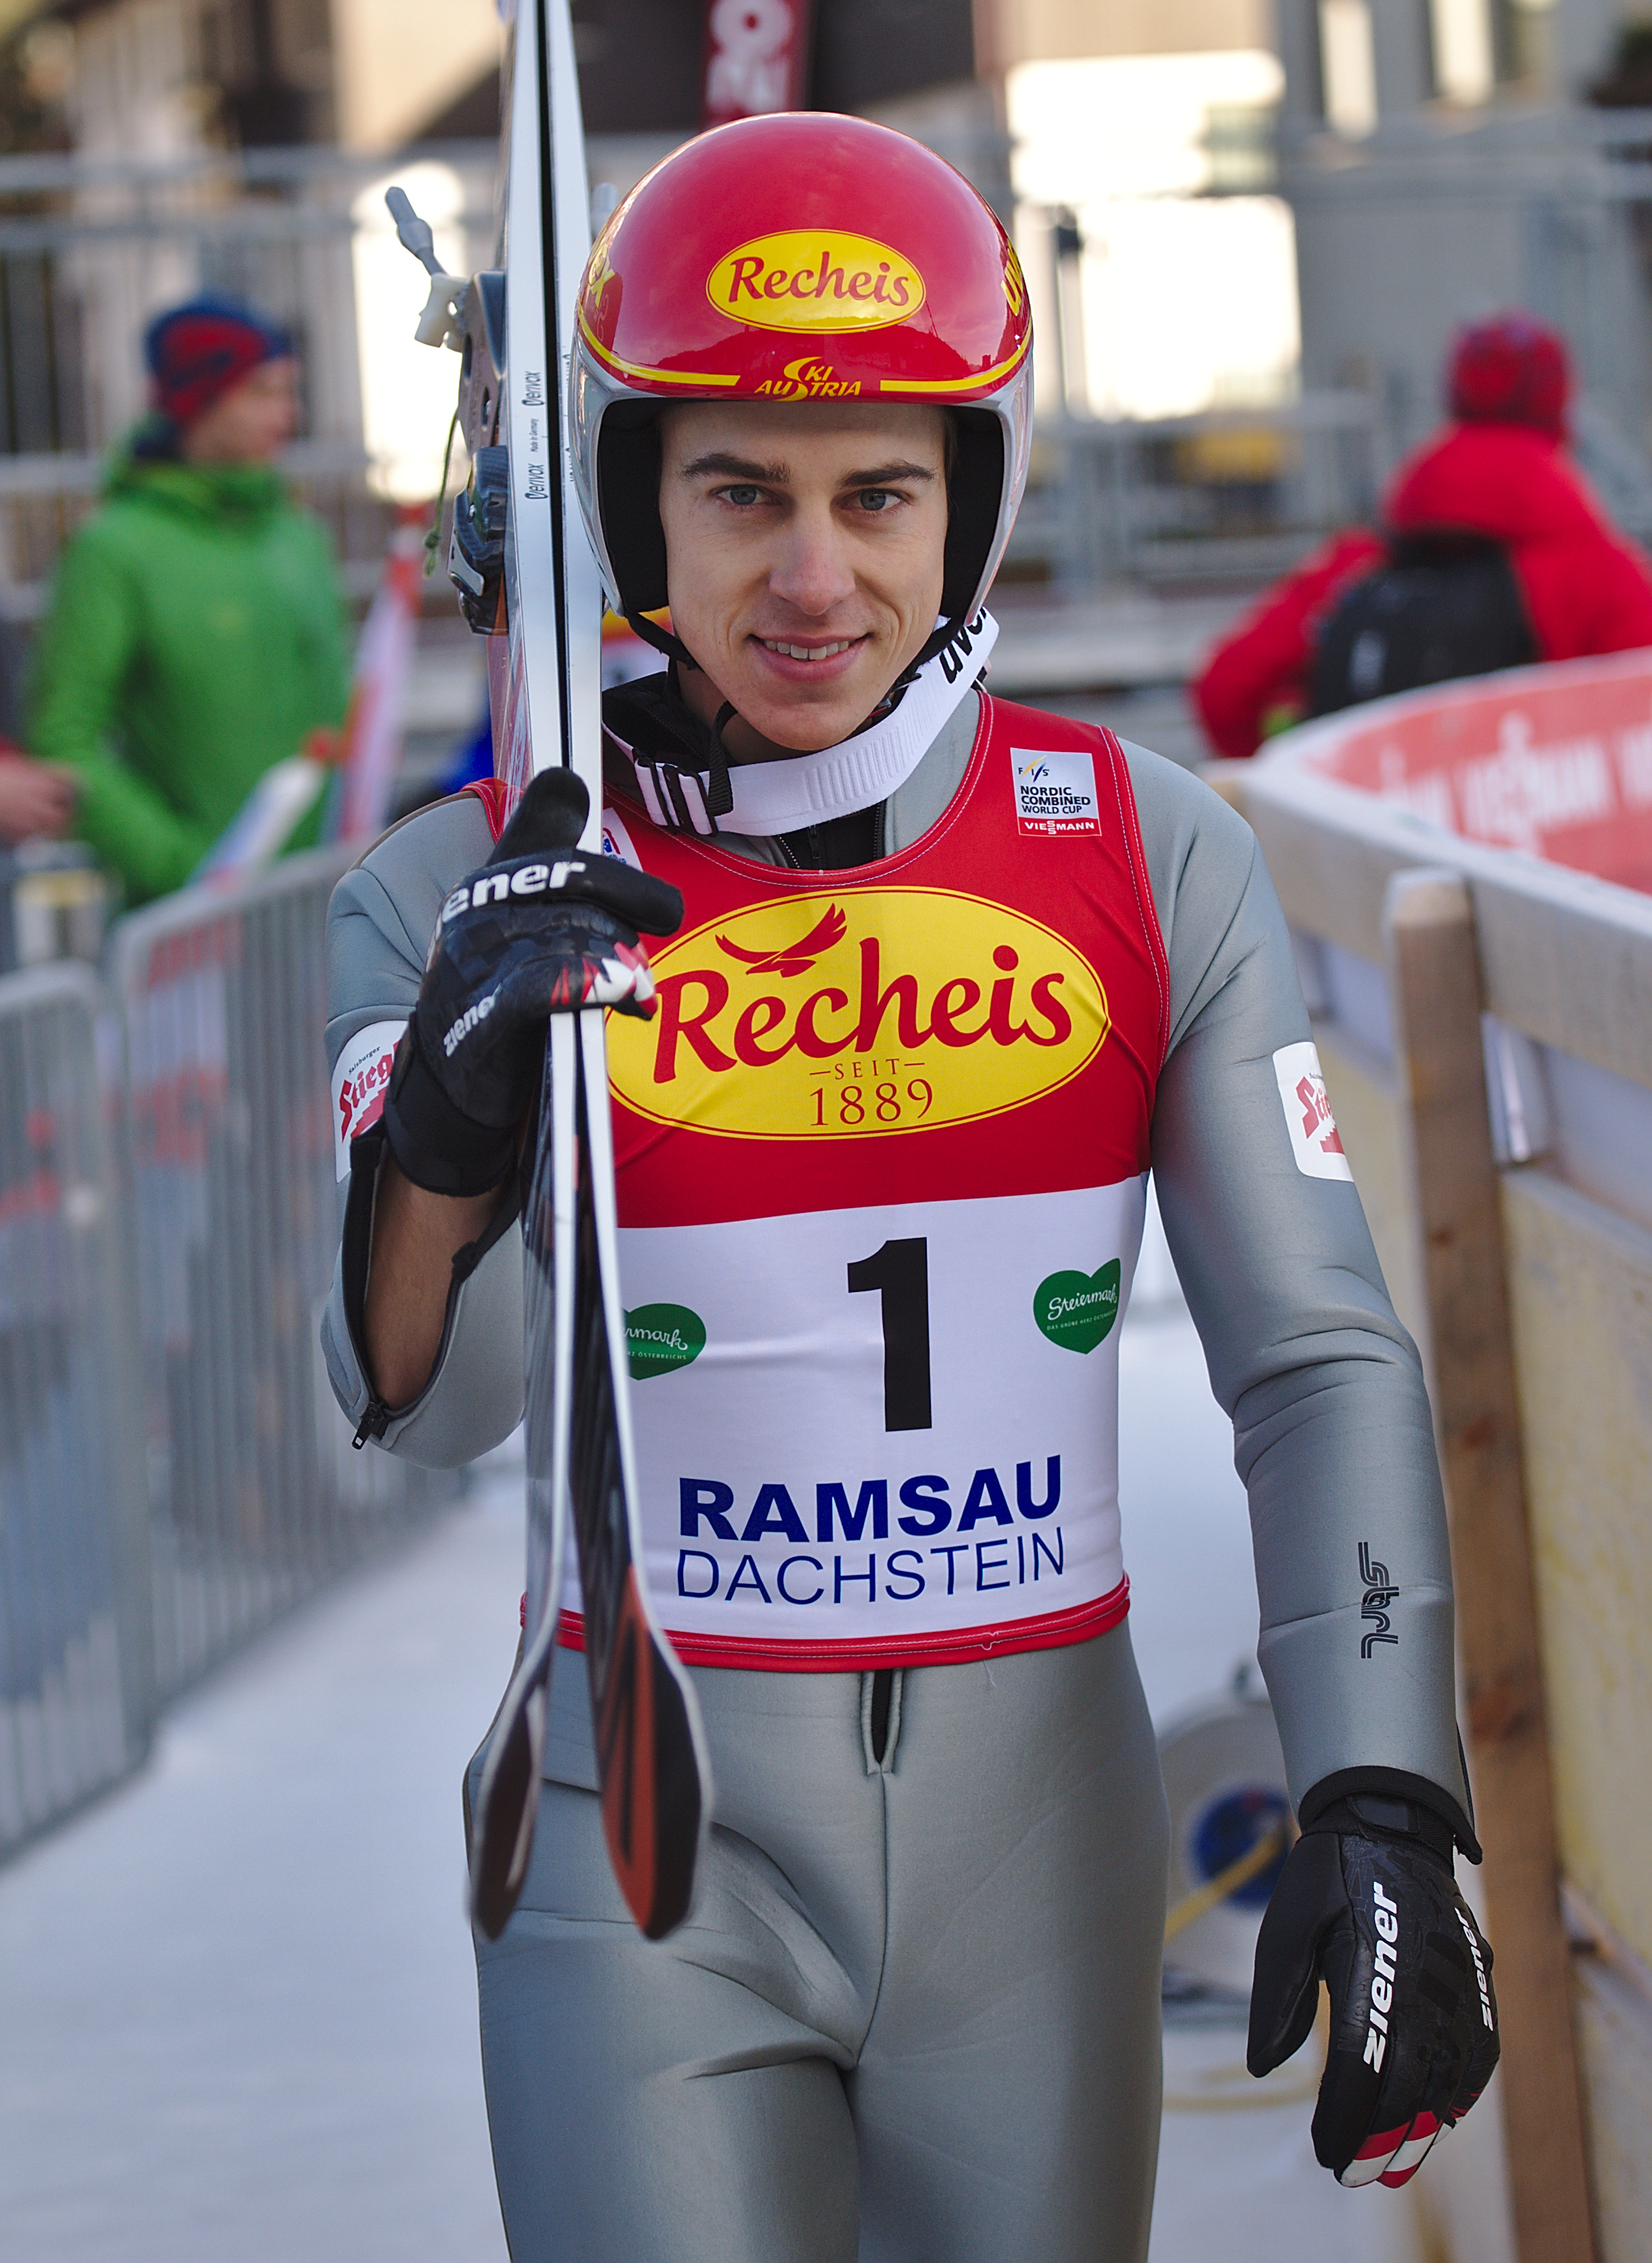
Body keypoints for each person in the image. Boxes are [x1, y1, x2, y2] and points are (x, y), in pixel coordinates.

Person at [320, 115, 1498, 2260]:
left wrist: (1383, 1794)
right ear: (626, 508)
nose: (808, 578)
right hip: (643, 1836)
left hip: (1026, 1847)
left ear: (969, 507)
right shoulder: (459, 886)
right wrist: (450, 1134)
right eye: (736, 493)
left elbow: (1315, 1358)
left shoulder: (1139, 848)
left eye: (876, 496)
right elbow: (430, 1390)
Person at [1195, 311, 1652, 757]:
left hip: (1369, 821)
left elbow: (1224, 692)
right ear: (1559, 410)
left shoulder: (1363, 563)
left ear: (1453, 400)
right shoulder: (1600, 573)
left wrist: (1307, 772)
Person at [28, 296, 352, 904]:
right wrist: (185, 869)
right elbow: (63, 737)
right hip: (187, 936)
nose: (288, 414)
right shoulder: (115, 548)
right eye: (261, 392)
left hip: (324, 903)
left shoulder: (299, 538)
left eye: (289, 391)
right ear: (195, 401)